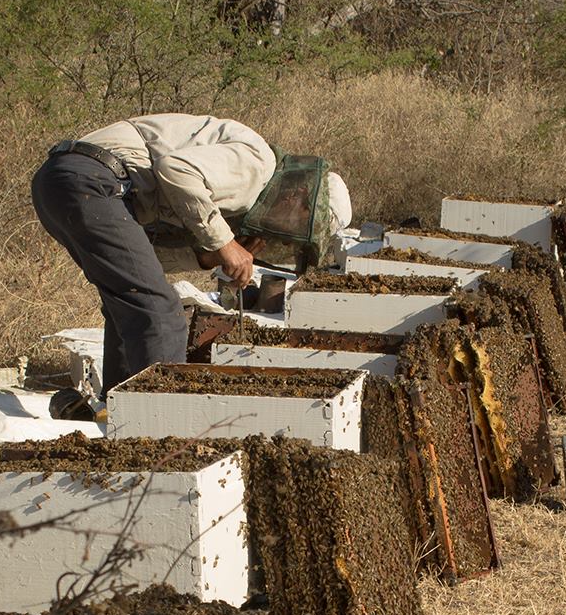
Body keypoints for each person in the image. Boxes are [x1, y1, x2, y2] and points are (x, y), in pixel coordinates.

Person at [31, 113, 349, 410]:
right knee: (161, 312)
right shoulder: (258, 163)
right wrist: (224, 243)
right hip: (93, 180)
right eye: (300, 224)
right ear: (300, 198)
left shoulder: (248, 179)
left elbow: (145, 256)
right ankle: (159, 432)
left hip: (68, 183)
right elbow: (176, 169)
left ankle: (113, 413)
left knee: (132, 303)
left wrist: (205, 255)